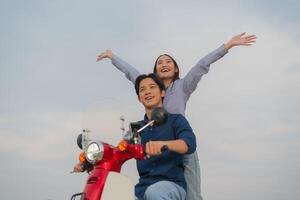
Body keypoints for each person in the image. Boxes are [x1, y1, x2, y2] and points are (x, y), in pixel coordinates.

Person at [96, 32, 257, 200]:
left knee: (192, 194)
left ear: (176, 68)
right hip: (154, 139)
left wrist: (227, 46)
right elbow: (131, 73)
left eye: (168, 61)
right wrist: (112, 57)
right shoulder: (150, 87)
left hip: (180, 143)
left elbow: (202, 65)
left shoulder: (183, 86)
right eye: (159, 62)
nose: (164, 64)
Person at [134, 73, 196, 200]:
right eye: (142, 89)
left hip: (171, 184)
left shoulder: (176, 120)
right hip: (141, 189)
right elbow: (119, 149)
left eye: (152, 87)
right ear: (139, 98)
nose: (147, 92)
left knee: (155, 193)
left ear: (162, 93)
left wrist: (164, 144)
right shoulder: (136, 128)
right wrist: (91, 159)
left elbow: (189, 143)